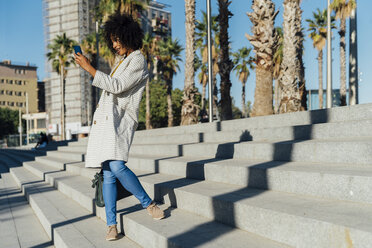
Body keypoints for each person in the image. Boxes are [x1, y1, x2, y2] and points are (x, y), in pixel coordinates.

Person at [74, 13, 164, 241]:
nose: (114, 45)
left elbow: (117, 86)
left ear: (128, 36)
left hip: (121, 120)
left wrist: (90, 68)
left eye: (117, 40)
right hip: (106, 121)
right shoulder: (120, 61)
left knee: (116, 166)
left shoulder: (137, 60)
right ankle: (111, 225)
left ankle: (148, 203)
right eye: (112, 40)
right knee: (107, 172)